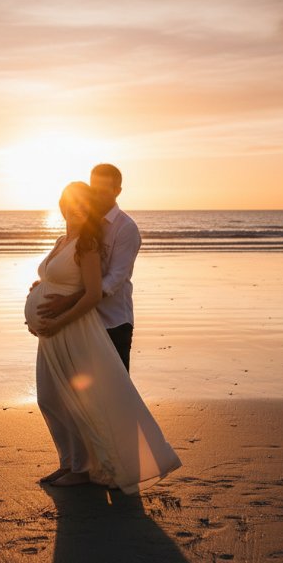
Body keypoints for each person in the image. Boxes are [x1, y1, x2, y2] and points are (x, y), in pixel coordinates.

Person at [25, 182, 180, 493]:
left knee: (77, 400)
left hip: (70, 330)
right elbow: (55, 277)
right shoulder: (61, 240)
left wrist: (57, 322)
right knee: (50, 398)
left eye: (83, 206)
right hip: (51, 335)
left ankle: (82, 469)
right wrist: (39, 288)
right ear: (62, 206)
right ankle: (68, 462)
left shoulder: (88, 245)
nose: (76, 210)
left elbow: (94, 293)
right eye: (71, 204)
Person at [36, 164, 141, 372]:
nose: (97, 196)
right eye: (94, 190)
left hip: (113, 322)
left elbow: (113, 280)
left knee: (115, 390)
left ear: (117, 191)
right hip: (83, 321)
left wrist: (68, 300)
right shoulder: (87, 221)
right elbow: (73, 269)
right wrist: (44, 287)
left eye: (103, 191)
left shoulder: (126, 228)